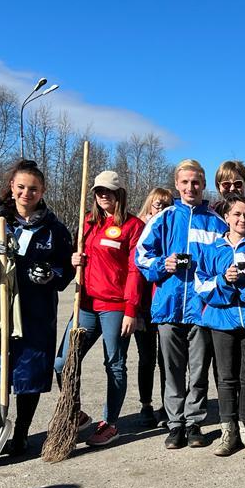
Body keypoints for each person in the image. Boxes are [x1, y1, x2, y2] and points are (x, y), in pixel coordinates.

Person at [0, 160, 74, 457]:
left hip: (36, 311)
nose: (27, 193)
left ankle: (23, 432)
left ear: (42, 191)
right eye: (22, 187)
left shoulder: (54, 230)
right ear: (12, 188)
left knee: (30, 370)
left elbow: (67, 266)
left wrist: (52, 273)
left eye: (34, 188)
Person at [135, 159, 228, 449]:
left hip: (201, 308)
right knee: (172, 370)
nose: (191, 187)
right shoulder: (163, 218)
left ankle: (195, 422)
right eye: (185, 182)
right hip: (169, 306)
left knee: (198, 370)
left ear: (203, 184)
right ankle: (175, 424)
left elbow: (225, 261)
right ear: (177, 184)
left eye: (196, 182)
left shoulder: (216, 222)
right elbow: (140, 255)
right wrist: (164, 264)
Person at [54, 171, 145, 446]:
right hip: (86, 303)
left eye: (109, 191)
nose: (103, 195)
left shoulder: (132, 226)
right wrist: (74, 260)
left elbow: (134, 270)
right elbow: (80, 261)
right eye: (98, 191)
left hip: (115, 306)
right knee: (63, 362)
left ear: (119, 194)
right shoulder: (88, 223)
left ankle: (111, 423)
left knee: (114, 364)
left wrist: (131, 309)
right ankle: (77, 412)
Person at [195, 194, 245, 455]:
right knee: (226, 378)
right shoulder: (212, 250)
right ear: (227, 217)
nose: (243, 219)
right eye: (238, 214)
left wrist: (243, 291)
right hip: (221, 321)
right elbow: (201, 285)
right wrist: (224, 281)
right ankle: (227, 429)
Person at [134, 187, 173, 428]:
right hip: (145, 303)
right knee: (146, 357)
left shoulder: (171, 228)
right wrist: (134, 307)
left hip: (165, 302)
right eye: (158, 204)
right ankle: (146, 404)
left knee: (166, 358)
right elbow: (135, 270)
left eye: (167, 205)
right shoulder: (139, 228)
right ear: (149, 203)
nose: (161, 208)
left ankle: (167, 405)